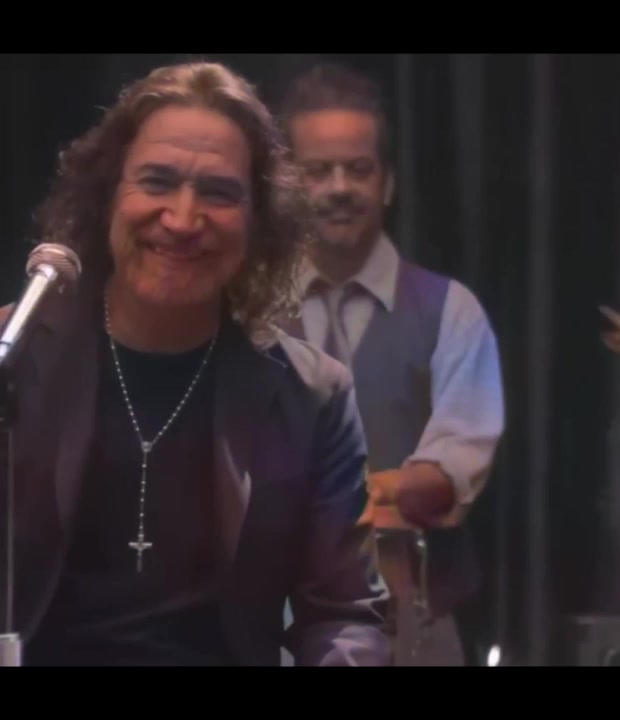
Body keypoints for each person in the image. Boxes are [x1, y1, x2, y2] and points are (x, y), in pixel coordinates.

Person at [0, 61, 390, 666]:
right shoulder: (16, 358)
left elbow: (345, 616)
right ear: (107, 195)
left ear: (259, 222)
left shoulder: (312, 395)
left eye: (218, 193)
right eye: (157, 182)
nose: (183, 220)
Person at [276, 62, 504, 666]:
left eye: (358, 169)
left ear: (388, 183)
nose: (339, 187)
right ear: (288, 186)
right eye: (318, 171)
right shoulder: (247, 314)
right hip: (267, 625)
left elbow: (447, 478)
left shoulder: (451, 310)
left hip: (414, 624)